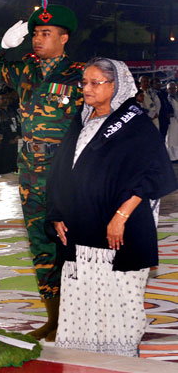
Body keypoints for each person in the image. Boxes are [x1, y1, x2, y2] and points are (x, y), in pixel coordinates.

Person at [47, 58, 177, 356]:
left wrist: (120, 216)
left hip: (120, 229)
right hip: (79, 231)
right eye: (84, 83)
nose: (87, 89)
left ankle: (120, 357)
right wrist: (56, 214)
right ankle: (83, 357)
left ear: (116, 86)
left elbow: (153, 175)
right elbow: (60, 171)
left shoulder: (136, 124)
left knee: (118, 296)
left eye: (95, 83)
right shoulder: (81, 120)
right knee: (83, 297)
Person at [0, 0, 84, 341]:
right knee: (40, 242)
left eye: (46, 33)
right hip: (30, 169)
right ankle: (53, 317)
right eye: (35, 33)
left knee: (72, 241)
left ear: (64, 37)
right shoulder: (24, 69)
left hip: (66, 169)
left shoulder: (81, 75)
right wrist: (2, 45)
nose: (38, 38)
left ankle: (78, 313)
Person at [0, 87, 22, 173]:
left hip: (15, 143)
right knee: (4, 169)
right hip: (4, 145)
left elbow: (18, 124)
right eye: (2, 98)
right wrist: (8, 139)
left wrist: (18, 136)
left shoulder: (12, 111)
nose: (5, 100)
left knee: (14, 167)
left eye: (7, 98)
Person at [165, 82, 178, 161]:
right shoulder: (167, 99)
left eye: (174, 88)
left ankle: (176, 156)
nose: (172, 90)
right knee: (171, 140)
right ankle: (171, 157)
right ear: (167, 90)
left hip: (176, 121)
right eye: (170, 88)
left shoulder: (175, 98)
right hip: (172, 121)